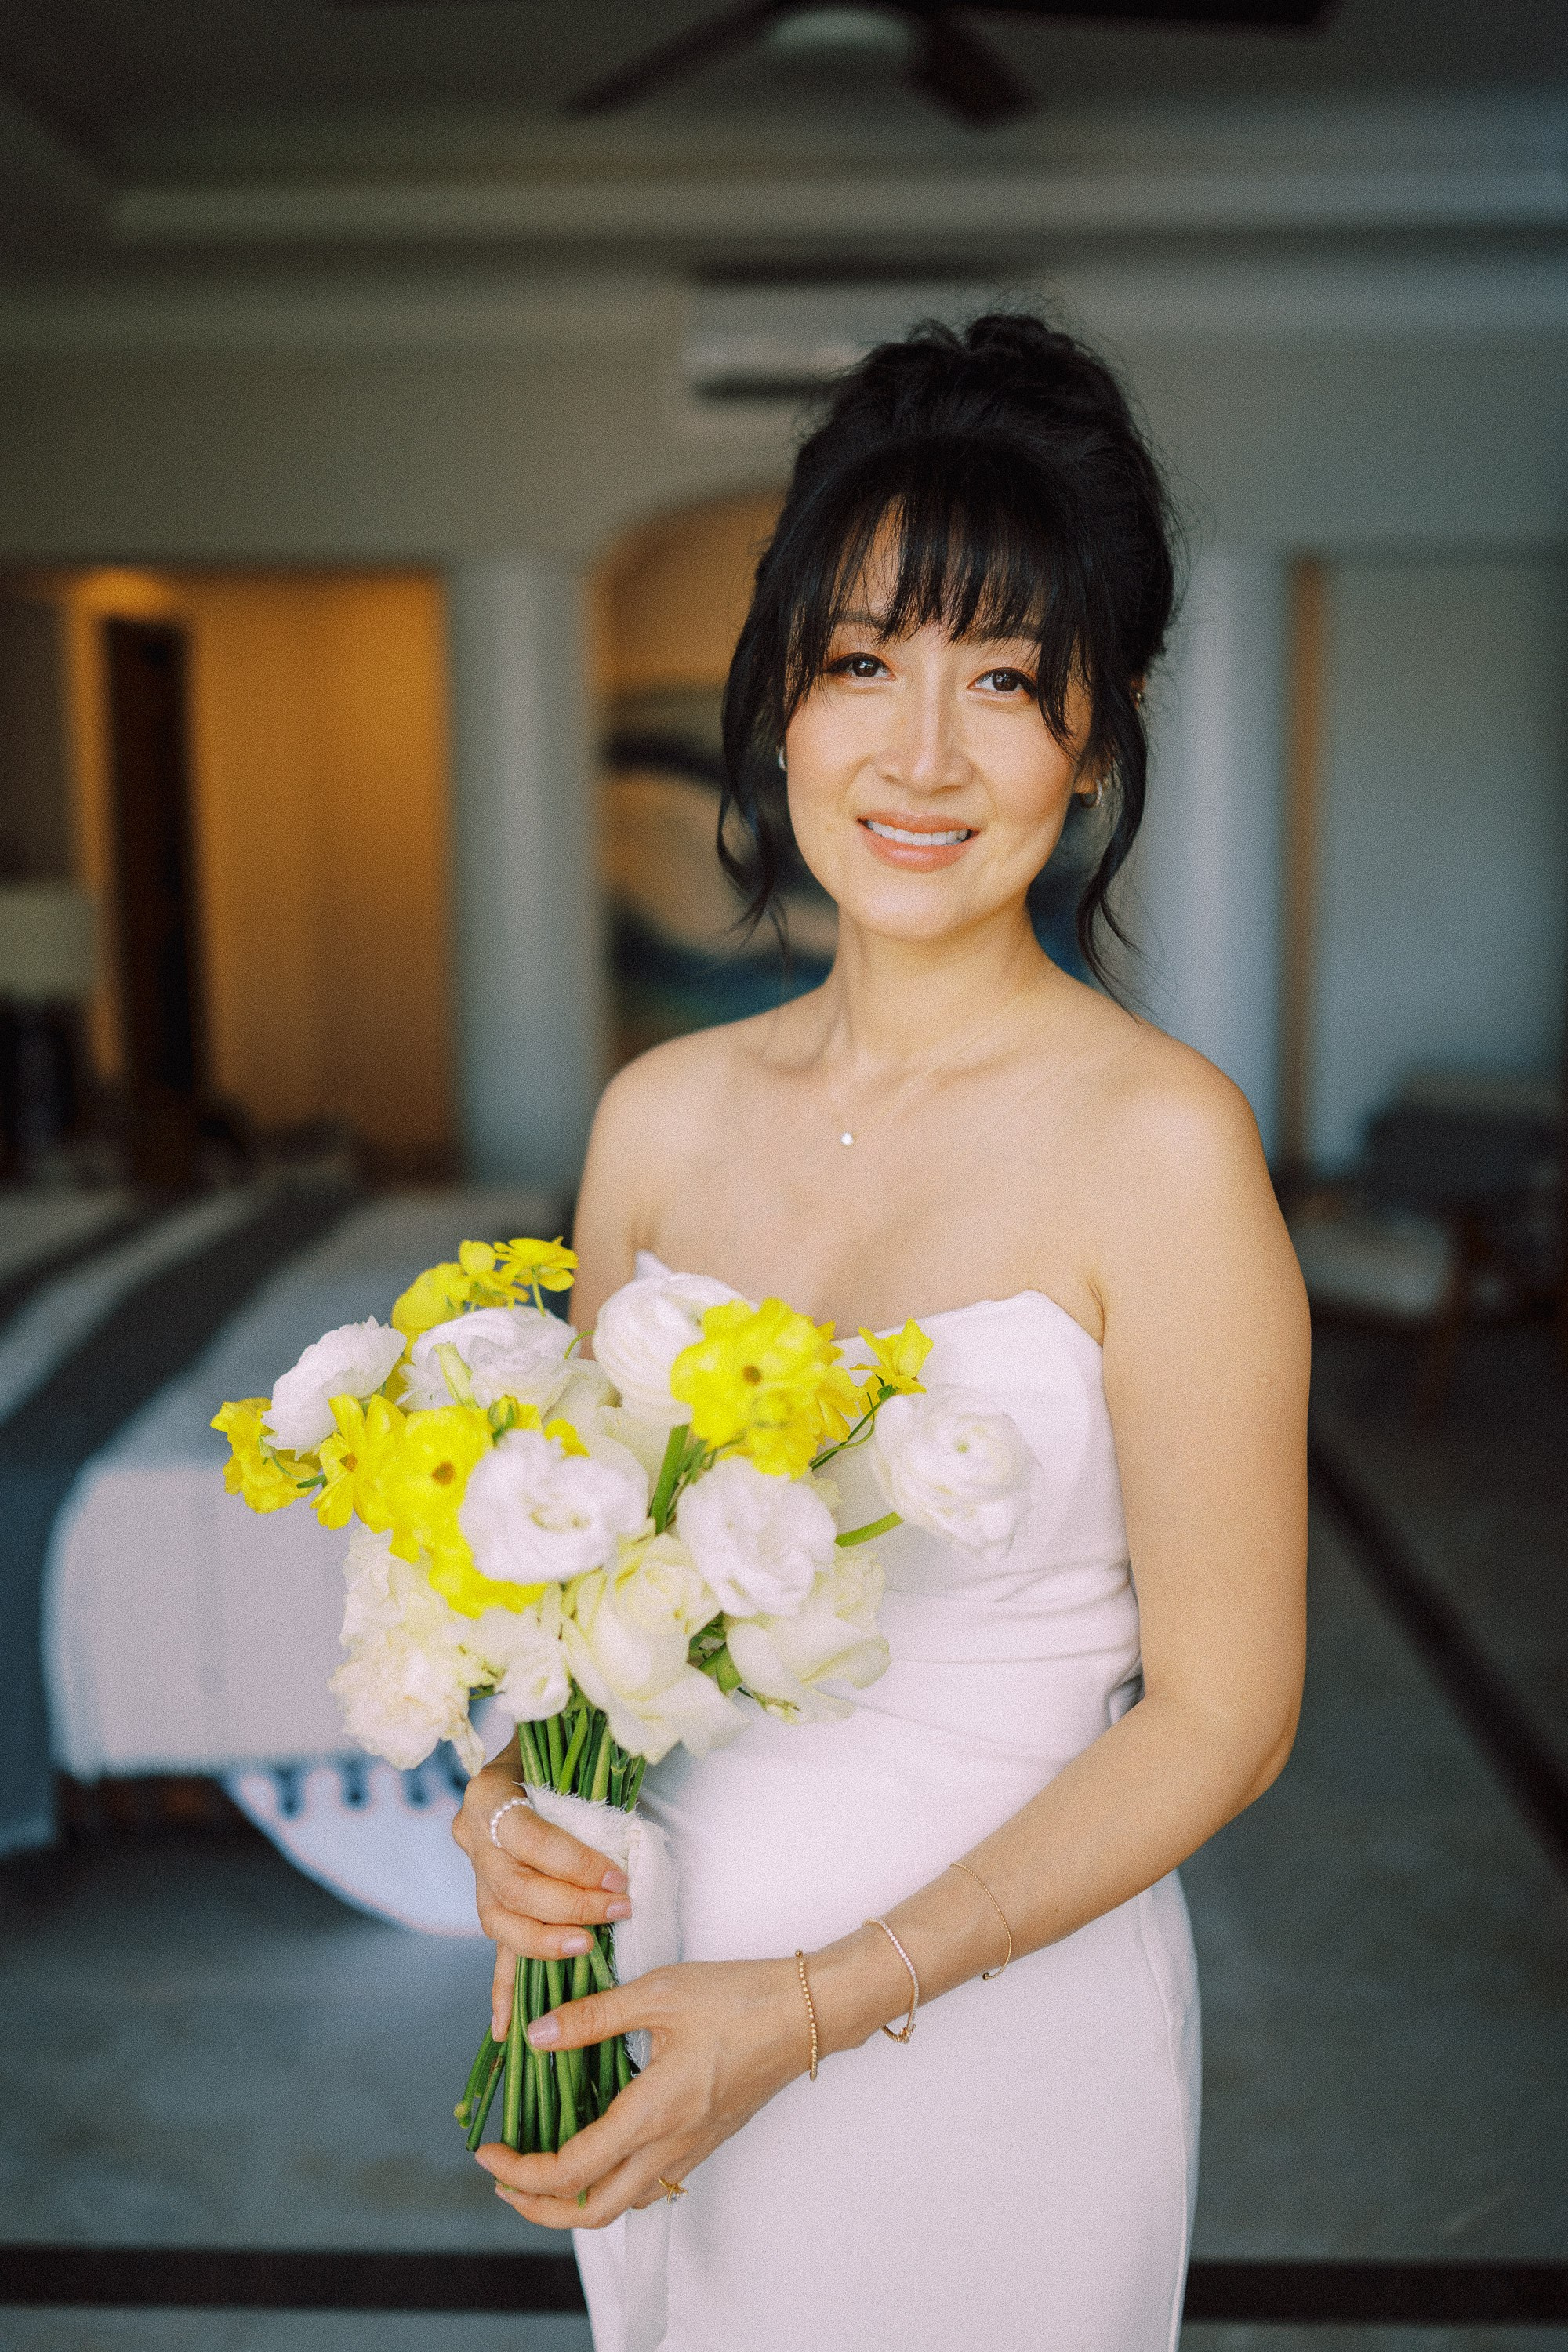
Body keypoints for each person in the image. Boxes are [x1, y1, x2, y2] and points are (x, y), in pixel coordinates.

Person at [454, 311, 1309, 2351]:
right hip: (660, 2008)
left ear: (1094, 738)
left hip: (993, 2042)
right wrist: (503, 1811)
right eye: (862, 663)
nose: (921, 758)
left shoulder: (1162, 1146)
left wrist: (814, 2011)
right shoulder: (657, 1119)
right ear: (781, 699)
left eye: (1003, 680)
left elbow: (1226, 1715)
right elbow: (584, 1608)